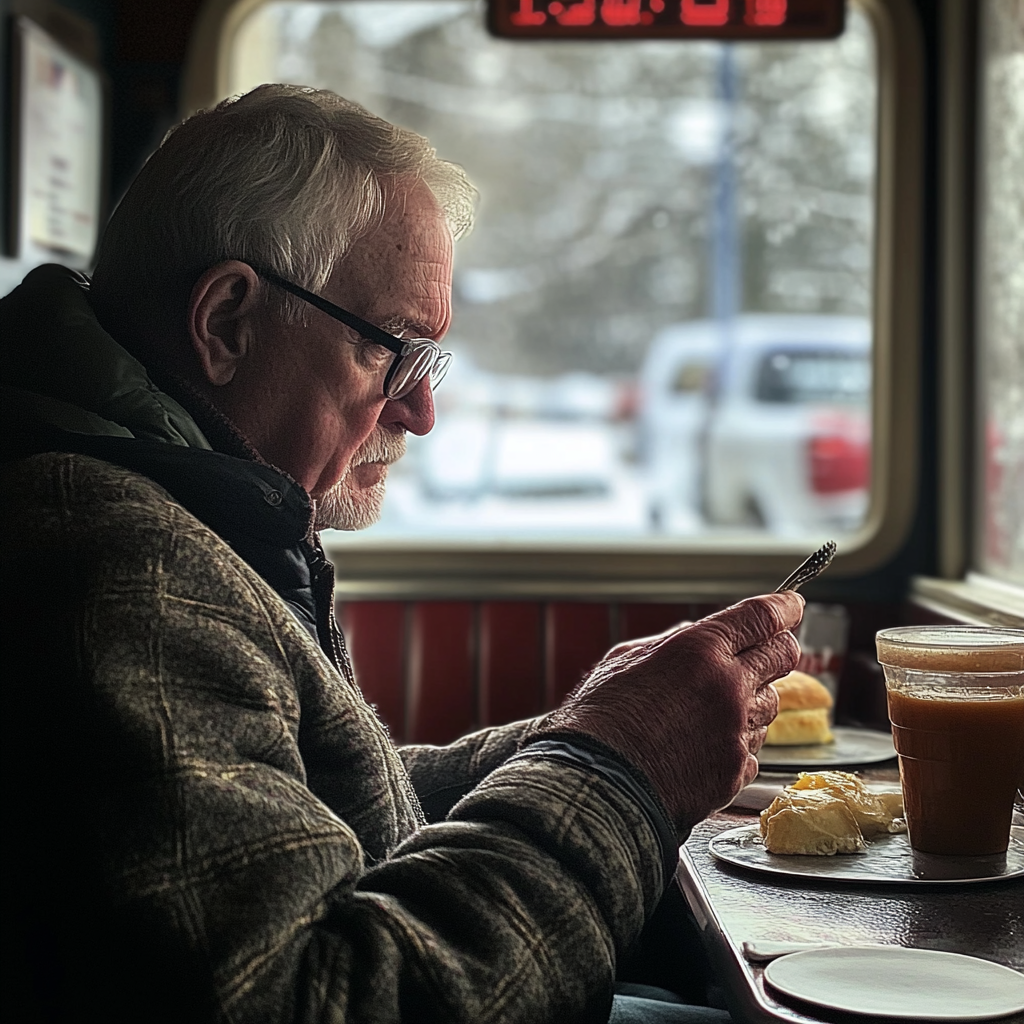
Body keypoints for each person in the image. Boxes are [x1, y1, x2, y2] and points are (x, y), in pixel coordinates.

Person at [0, 84, 801, 1023]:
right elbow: (310, 1003)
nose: (422, 410)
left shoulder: (182, 508)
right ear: (225, 322)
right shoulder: (120, 565)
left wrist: (587, 734)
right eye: (395, 351)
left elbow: (316, 813)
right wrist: (616, 766)